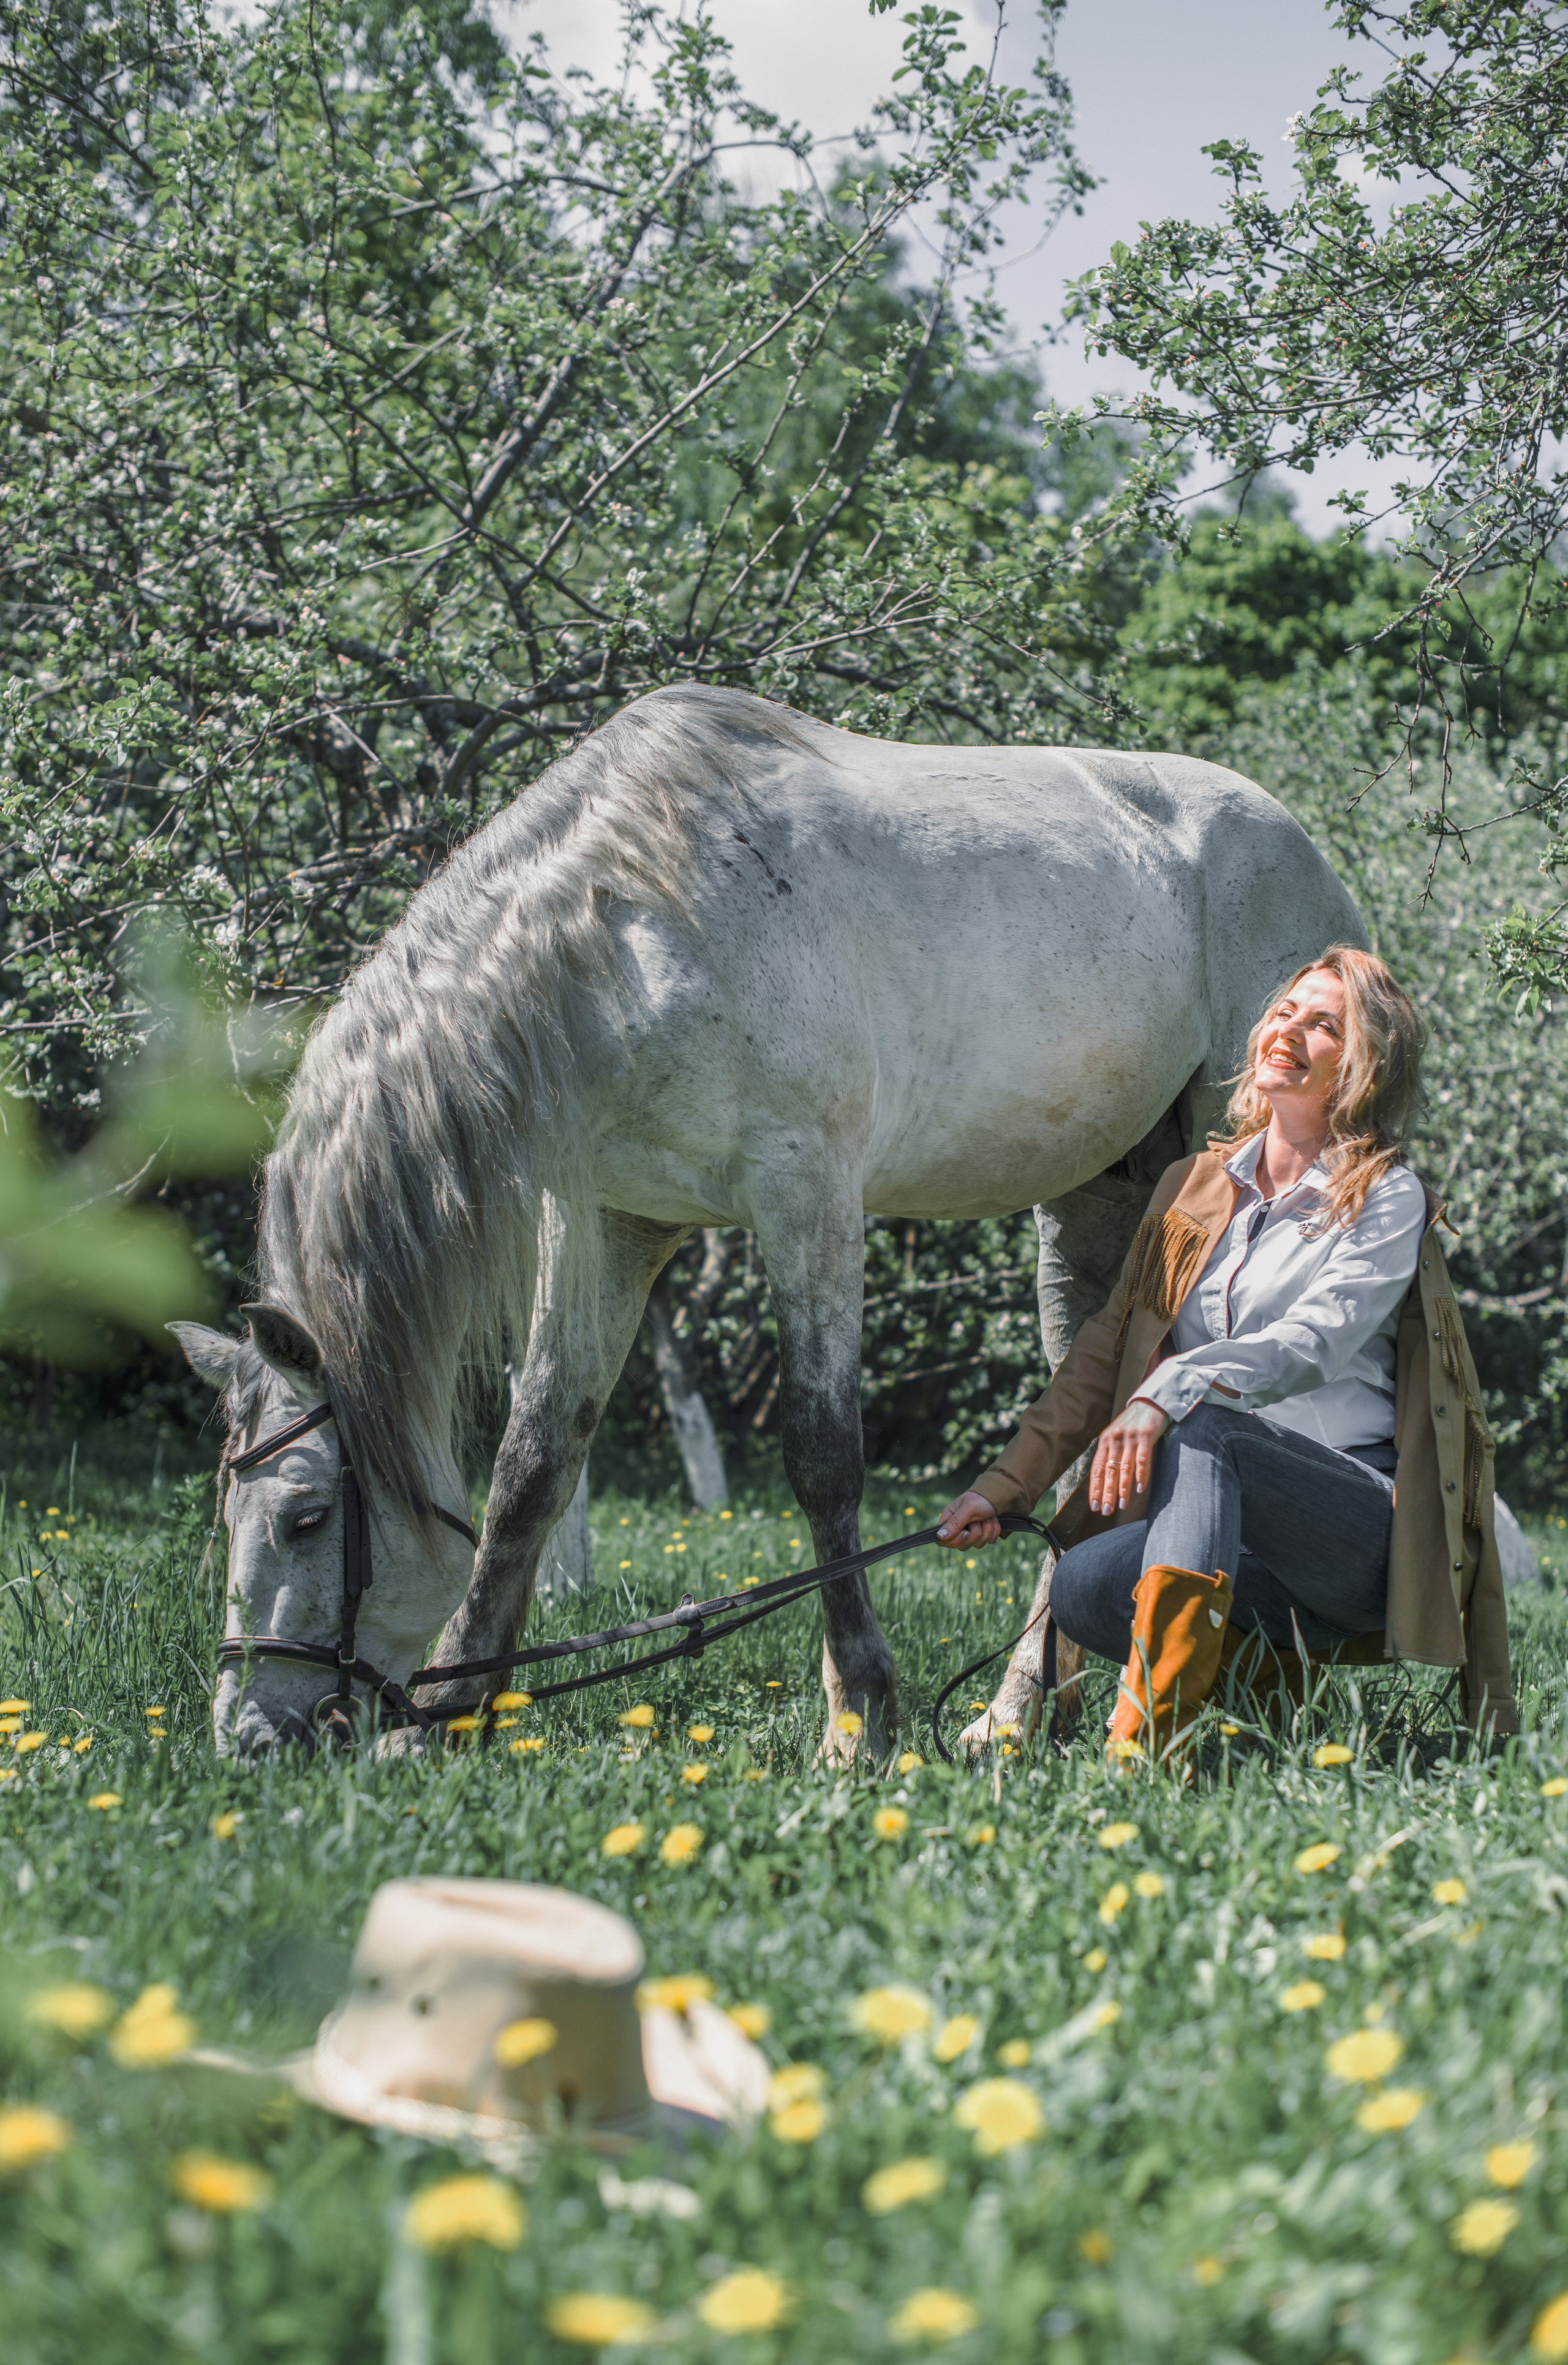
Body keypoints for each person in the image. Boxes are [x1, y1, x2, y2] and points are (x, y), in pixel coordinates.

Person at [934, 946, 1514, 1756]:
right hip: (1235, 1541)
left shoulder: (1385, 1196)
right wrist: (1003, 1488)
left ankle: (1139, 1750)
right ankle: (1266, 1690)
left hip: (1355, 1537)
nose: (1290, 1031)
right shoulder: (1193, 1186)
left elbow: (1313, 1342)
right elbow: (1102, 1351)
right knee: (1083, 1583)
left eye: (1324, 1025)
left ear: (1366, 1067)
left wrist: (1174, 1383)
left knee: (1206, 1426)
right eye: (1285, 1012)